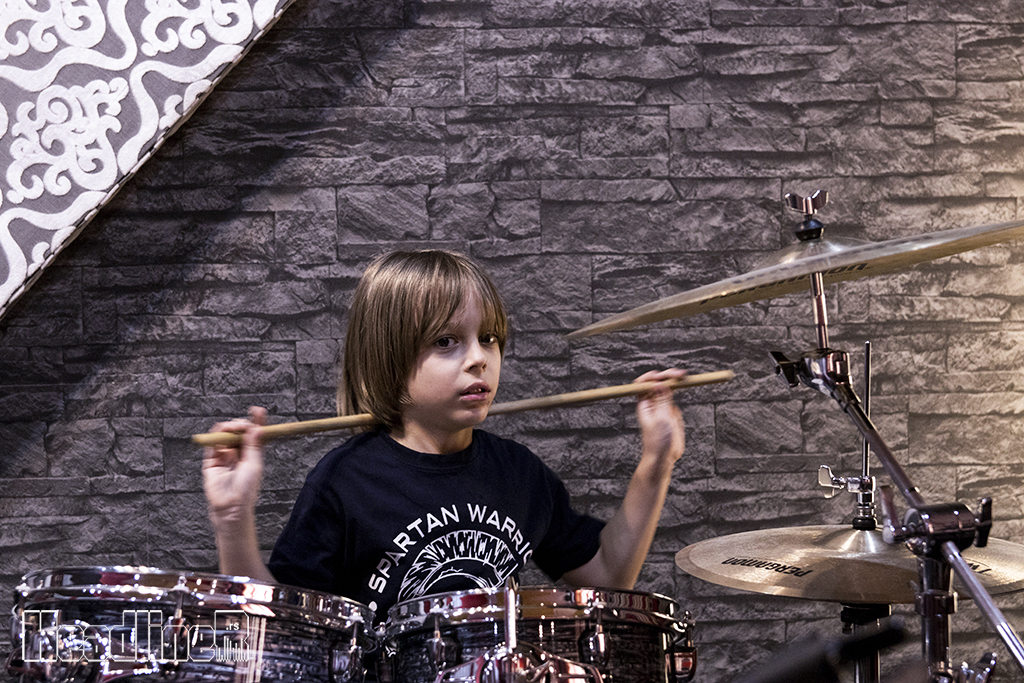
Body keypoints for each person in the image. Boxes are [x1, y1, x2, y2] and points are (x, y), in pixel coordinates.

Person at [202, 249, 685, 621]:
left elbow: (608, 577)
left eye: (488, 338)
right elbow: (274, 627)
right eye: (446, 341)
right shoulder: (345, 482)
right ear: (390, 359)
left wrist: (657, 461)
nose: (479, 359)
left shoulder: (518, 473)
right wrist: (232, 517)